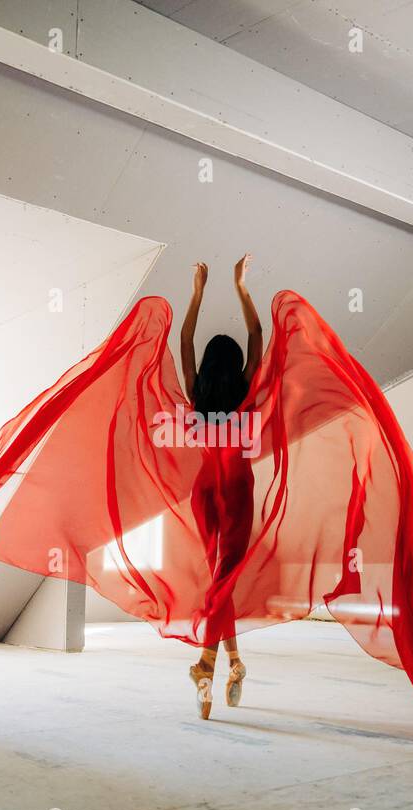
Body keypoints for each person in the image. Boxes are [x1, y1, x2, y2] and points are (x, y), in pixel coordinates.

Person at [180, 254, 263, 719]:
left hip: (204, 496)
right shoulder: (245, 395)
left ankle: (226, 666)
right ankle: (208, 664)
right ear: (234, 367)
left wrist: (197, 291)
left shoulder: (197, 395)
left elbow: (186, 340)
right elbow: (257, 337)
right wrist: (241, 286)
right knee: (220, 585)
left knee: (220, 585)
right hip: (234, 496)